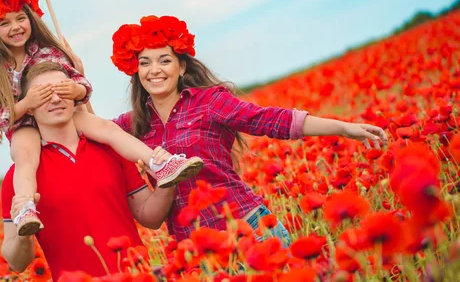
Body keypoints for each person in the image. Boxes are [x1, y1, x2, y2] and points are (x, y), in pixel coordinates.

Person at [79, 14, 388, 247]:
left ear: (182, 66)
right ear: (136, 71)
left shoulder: (210, 102)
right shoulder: (134, 124)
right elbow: (96, 129)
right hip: (198, 249)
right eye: (145, 63)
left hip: (248, 228)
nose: (154, 70)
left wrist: (344, 128)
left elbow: (272, 120)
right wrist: (75, 75)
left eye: (164, 60)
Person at [0, 0, 203, 237]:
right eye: (4, 23)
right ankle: (26, 206)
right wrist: (26, 103)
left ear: (32, 18)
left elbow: (83, 89)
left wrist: (73, 88)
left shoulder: (49, 52)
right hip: (24, 125)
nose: (16, 27)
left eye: (21, 18)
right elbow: (1, 118)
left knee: (107, 129)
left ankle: (160, 164)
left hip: (63, 113)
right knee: (25, 157)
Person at [1, 61, 176, 279]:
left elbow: (150, 218)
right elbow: (17, 263)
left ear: (75, 95)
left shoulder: (113, 149)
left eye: (63, 90)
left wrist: (166, 184)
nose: (55, 99)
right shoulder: (18, 179)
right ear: (29, 107)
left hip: (137, 275)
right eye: (44, 94)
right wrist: (22, 236)